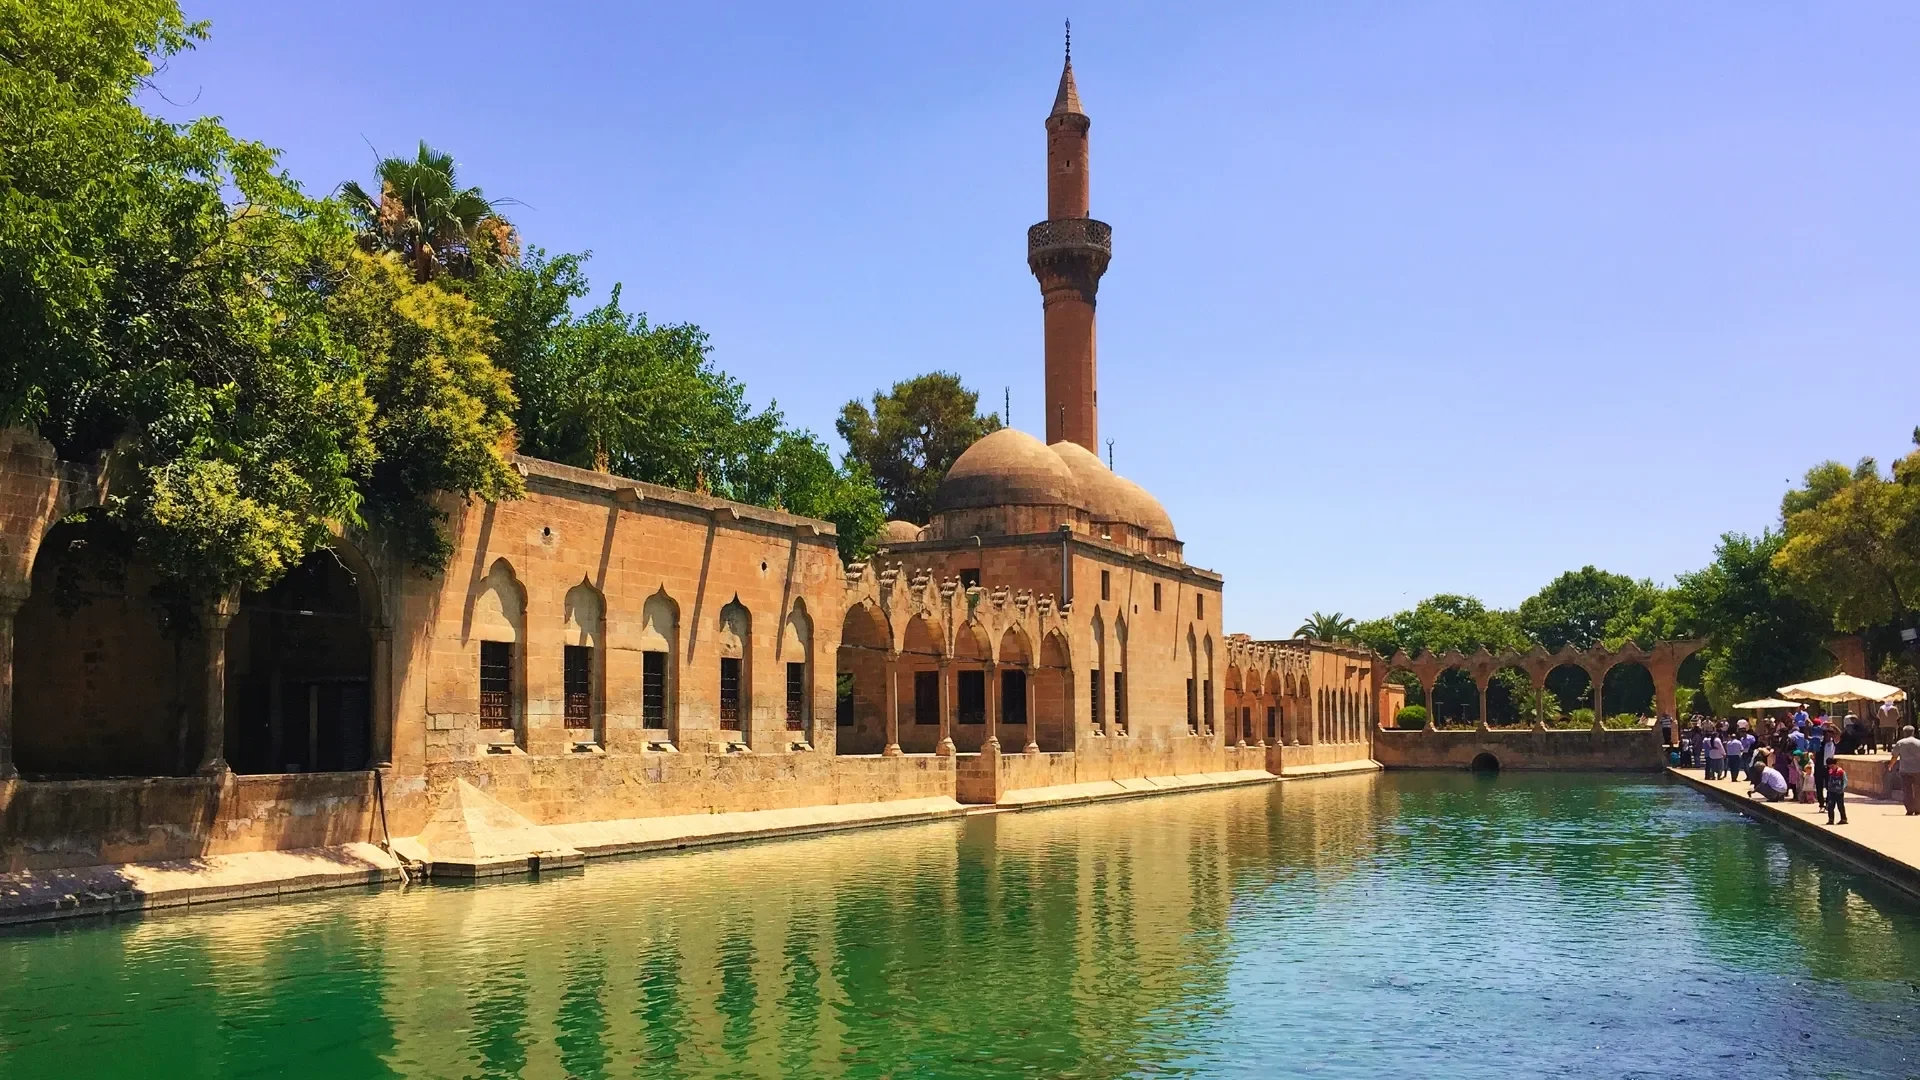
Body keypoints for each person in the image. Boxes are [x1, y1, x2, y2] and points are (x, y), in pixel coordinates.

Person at [1893, 725, 1920, 816]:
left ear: (1904, 733)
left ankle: (1909, 809)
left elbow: (1894, 757)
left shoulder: (1900, 743)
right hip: (1918, 770)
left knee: (1907, 791)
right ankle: (1918, 809)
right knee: (1918, 790)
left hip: (1905, 770)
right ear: (1913, 732)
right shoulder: (1919, 742)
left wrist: (1890, 765)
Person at [1826, 760, 1849, 825]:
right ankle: (1831, 820)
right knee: (1830, 806)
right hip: (1831, 792)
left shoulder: (1841, 772)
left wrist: (1841, 789)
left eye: (1832, 766)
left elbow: (1845, 781)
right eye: (1830, 766)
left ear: (1836, 765)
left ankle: (1843, 819)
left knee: (1840, 806)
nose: (1832, 767)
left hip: (1839, 792)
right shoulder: (1830, 771)